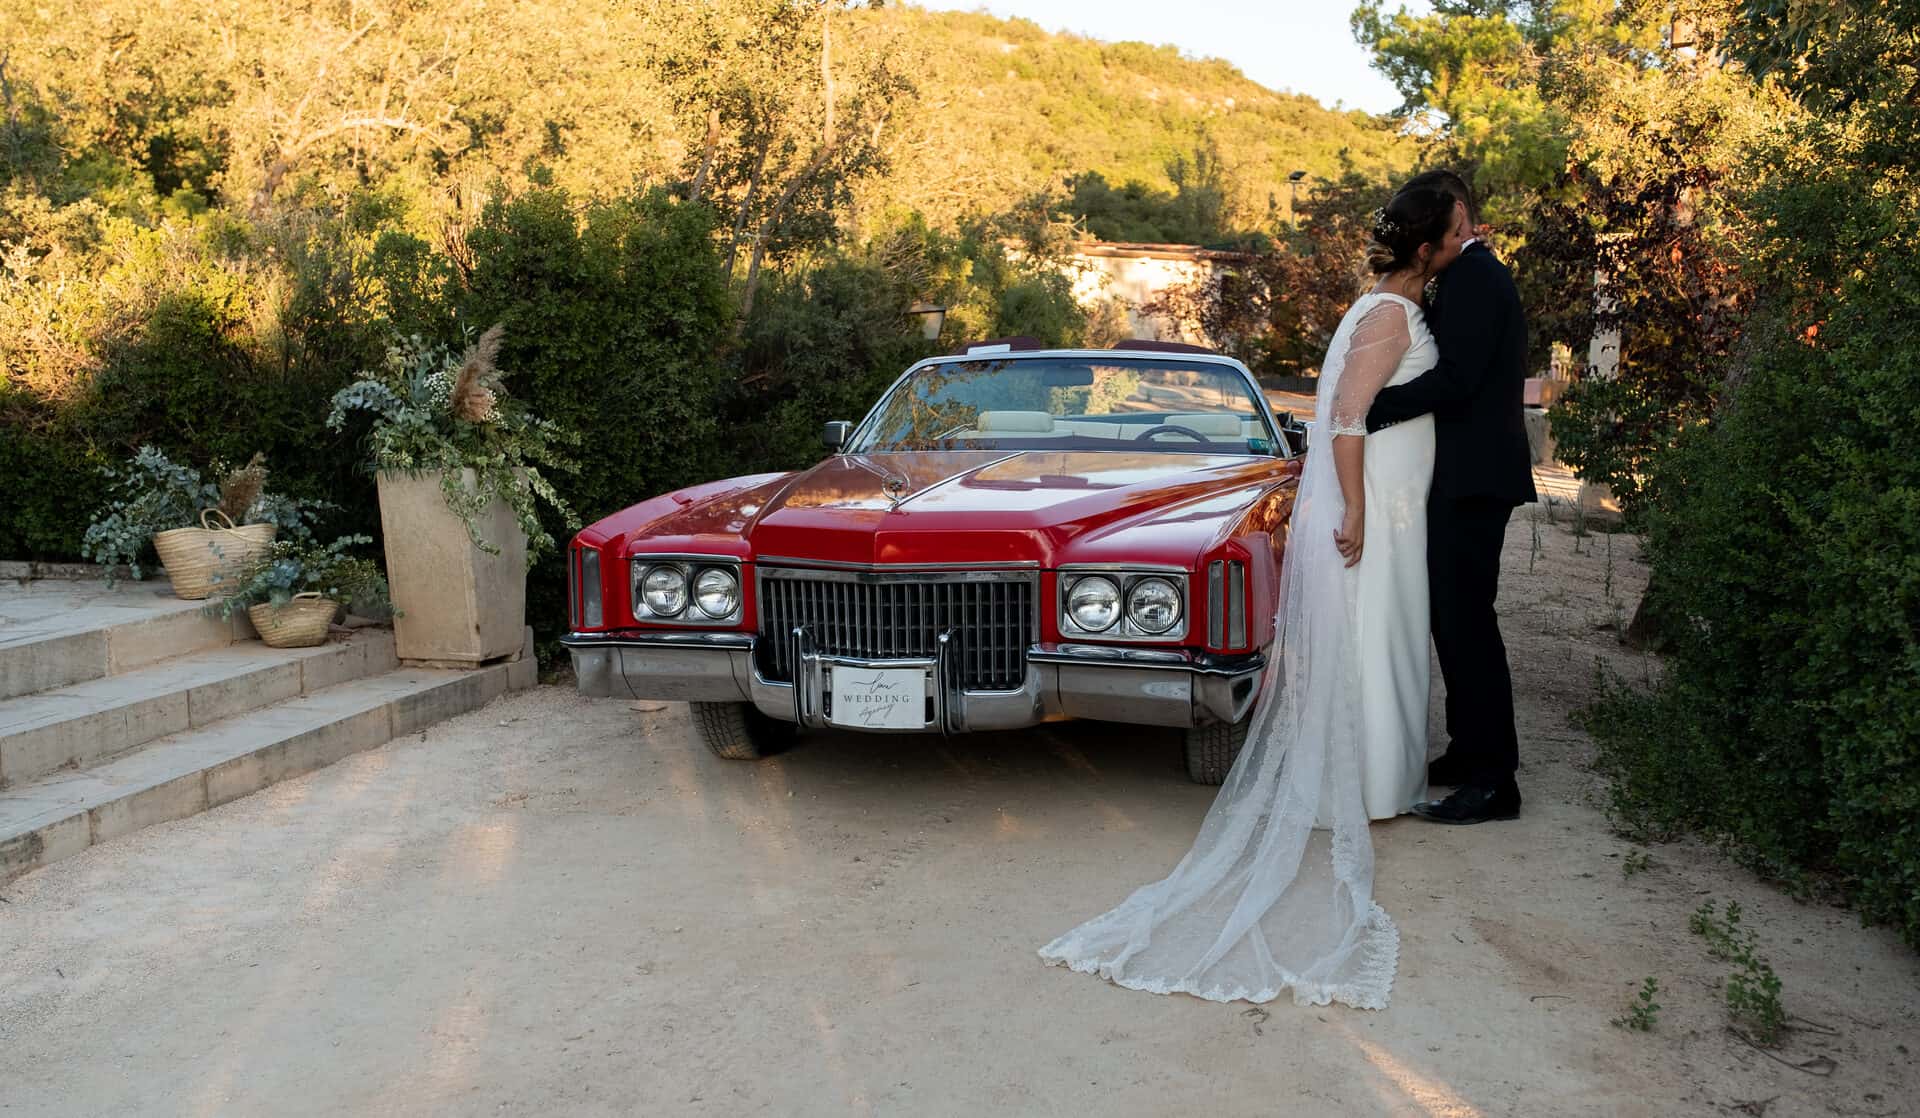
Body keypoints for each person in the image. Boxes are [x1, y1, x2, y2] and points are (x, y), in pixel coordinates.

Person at [1037, 185, 1470, 1009]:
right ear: (1426, 249)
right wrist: (1357, 508)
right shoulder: (1387, 316)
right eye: (1456, 232)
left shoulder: (1381, 308)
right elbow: (1345, 420)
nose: (1466, 240)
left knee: (1382, 638)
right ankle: (1369, 789)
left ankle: (1379, 778)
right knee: (1374, 638)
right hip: (1372, 507)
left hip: (1391, 506)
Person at [1366, 170, 1536, 826]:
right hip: (1469, 475)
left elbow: (1457, 380)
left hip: (1473, 477)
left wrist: (1377, 406)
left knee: (1469, 625)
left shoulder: (1472, 278)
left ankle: (1496, 781)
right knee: (1454, 620)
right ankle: (1470, 752)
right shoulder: (1470, 277)